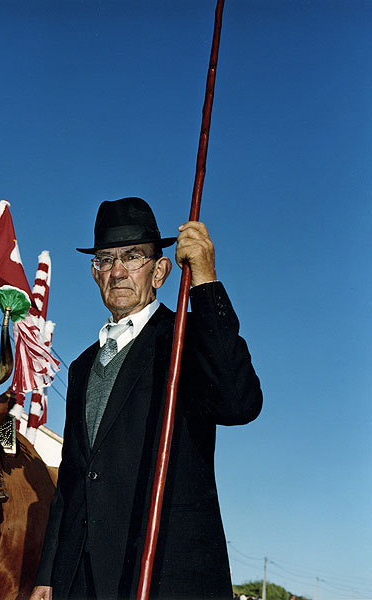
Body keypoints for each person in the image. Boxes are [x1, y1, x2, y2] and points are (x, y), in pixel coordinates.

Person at [31, 197, 262, 600]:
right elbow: (72, 479)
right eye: (106, 259)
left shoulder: (186, 339)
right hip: (80, 580)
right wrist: (48, 574)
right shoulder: (82, 366)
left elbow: (239, 403)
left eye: (133, 256)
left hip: (162, 572)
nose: (117, 271)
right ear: (94, 273)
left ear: (160, 271)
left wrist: (205, 280)